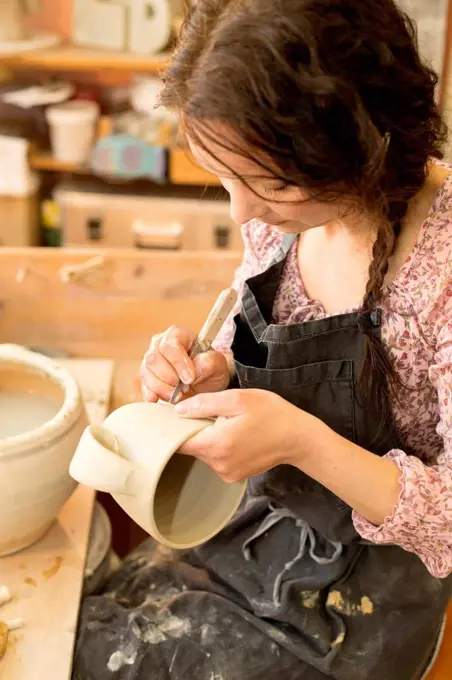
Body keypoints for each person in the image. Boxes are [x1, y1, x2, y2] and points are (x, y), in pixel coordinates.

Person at [73, 1, 452, 679]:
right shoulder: (278, 216)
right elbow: (258, 356)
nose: (240, 213)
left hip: (357, 599)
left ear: (363, 142)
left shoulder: (442, 268)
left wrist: (302, 440)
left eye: (269, 184)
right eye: (226, 180)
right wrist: (216, 372)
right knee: (77, 630)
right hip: (252, 530)